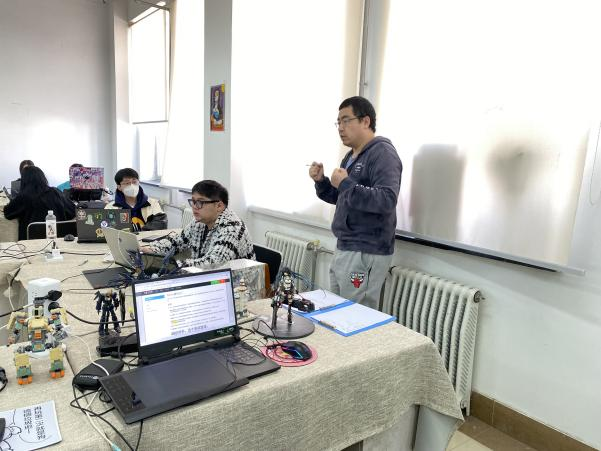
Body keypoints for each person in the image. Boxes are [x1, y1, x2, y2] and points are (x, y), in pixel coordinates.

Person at [309, 96, 402, 310]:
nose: (340, 128)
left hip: (366, 250)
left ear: (365, 121)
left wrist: (346, 183)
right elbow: (342, 197)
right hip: (345, 245)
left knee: (355, 317)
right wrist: (321, 182)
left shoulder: (383, 153)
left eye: (346, 120)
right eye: (338, 122)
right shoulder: (351, 156)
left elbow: (386, 199)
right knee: (336, 313)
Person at [144, 180, 255, 267]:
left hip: (240, 285)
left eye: (200, 202)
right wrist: (152, 249)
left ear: (219, 206)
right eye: (193, 201)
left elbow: (213, 263)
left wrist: (174, 265)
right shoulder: (199, 221)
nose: (194, 207)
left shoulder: (232, 228)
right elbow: (178, 241)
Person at [4, 166, 76, 240]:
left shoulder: (23, 197)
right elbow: (73, 211)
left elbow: (8, 213)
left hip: (31, 242)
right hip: (59, 240)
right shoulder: (56, 192)